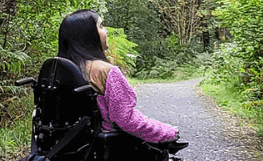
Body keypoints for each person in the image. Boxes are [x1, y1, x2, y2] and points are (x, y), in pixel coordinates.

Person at [57, 9, 179, 144]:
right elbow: (127, 120)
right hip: (104, 148)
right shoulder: (106, 71)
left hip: (67, 147)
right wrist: (167, 131)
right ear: (89, 35)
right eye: (101, 26)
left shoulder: (58, 70)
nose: (106, 31)